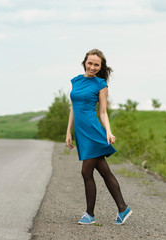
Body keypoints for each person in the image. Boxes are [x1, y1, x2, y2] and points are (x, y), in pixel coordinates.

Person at [65, 49, 132, 225]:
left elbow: (103, 112)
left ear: (100, 67)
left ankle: (90, 214)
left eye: (96, 65)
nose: (92, 67)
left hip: (93, 132)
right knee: (104, 171)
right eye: (90, 63)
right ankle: (123, 208)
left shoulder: (101, 84)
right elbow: (73, 108)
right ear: (84, 62)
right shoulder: (76, 81)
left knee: (86, 172)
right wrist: (68, 132)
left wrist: (108, 132)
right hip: (81, 133)